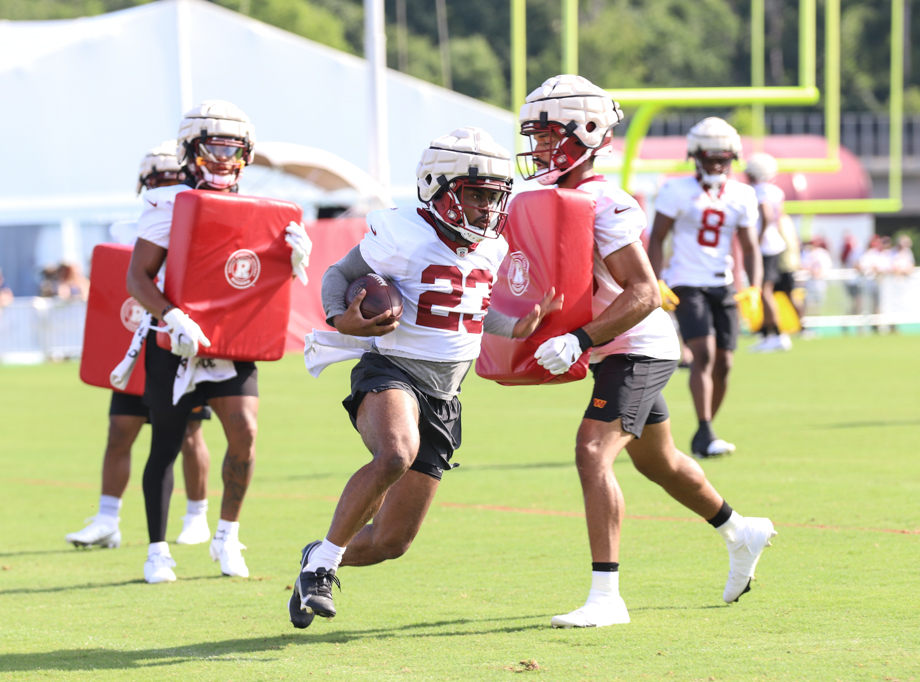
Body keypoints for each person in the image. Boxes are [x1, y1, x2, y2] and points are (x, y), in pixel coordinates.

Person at [520, 75, 775, 628]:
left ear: (586, 132)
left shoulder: (605, 200)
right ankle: (739, 530)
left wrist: (580, 339)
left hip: (638, 344)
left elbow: (643, 291)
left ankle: (607, 597)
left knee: (593, 452)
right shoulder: (550, 198)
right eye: (534, 136)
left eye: (546, 135)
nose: (538, 147)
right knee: (660, 463)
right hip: (613, 349)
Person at [288, 127, 561, 629]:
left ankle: (320, 556)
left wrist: (517, 326)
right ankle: (323, 569)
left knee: (390, 543)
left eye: (495, 196)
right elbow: (337, 277)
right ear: (437, 186)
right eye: (477, 194)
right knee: (394, 453)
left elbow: (471, 312)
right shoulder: (402, 233)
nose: (487, 208)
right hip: (391, 369)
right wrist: (339, 318)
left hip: (445, 396)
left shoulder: (491, 248)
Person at [125, 100, 312, 583]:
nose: (226, 159)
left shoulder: (262, 212)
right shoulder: (169, 204)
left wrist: (289, 260)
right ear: (192, 150)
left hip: (233, 344)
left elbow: (249, 280)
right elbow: (137, 278)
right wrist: (172, 316)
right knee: (166, 443)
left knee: (246, 434)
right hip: (177, 342)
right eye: (215, 147)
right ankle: (157, 549)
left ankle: (227, 535)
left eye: (236, 149)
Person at [66, 142, 213, 550]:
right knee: (121, 429)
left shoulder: (199, 217)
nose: (165, 186)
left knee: (187, 432)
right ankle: (107, 518)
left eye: (172, 178)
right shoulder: (126, 228)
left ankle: (197, 514)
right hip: (139, 335)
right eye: (159, 179)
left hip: (179, 338)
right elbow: (120, 286)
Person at [649, 117, 763, 458]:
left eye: (722, 158)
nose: (716, 164)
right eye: (710, 157)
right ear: (695, 156)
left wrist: (754, 286)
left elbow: (750, 245)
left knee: (725, 362)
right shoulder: (676, 190)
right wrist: (656, 279)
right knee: (704, 354)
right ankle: (706, 429)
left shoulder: (742, 194)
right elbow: (657, 237)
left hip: (722, 284)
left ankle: (705, 430)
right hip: (687, 281)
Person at [745, 152, 791, 352]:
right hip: (774, 243)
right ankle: (767, 333)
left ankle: (778, 334)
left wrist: (757, 238)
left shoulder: (759, 191)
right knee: (763, 290)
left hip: (765, 246)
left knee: (764, 291)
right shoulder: (775, 191)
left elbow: (766, 214)